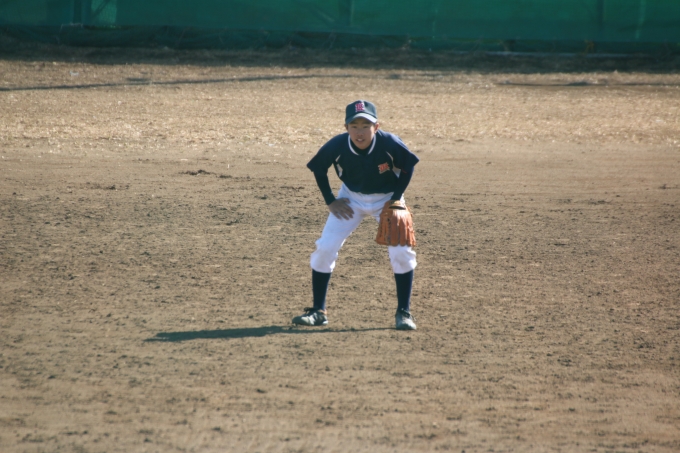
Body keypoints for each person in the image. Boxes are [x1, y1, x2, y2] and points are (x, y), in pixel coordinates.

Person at [292, 100, 419, 330]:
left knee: (401, 251)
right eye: (354, 126)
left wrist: (396, 198)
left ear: (376, 127)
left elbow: (408, 166)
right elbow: (319, 168)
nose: (360, 132)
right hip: (350, 199)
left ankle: (404, 312)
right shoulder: (338, 145)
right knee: (325, 247)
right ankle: (318, 311)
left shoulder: (389, 143)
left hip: (387, 199)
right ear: (346, 127)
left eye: (365, 126)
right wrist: (330, 200)